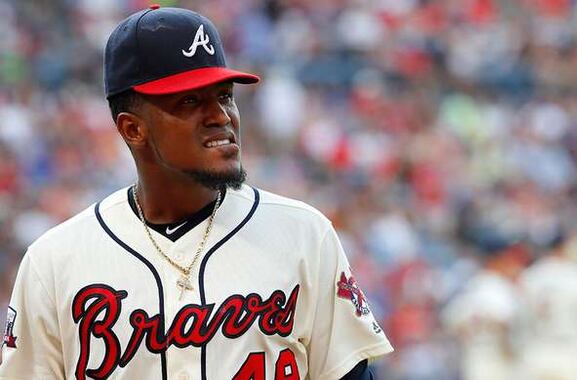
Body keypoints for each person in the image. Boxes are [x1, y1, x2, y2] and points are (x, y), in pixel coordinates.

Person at [0, 6, 393, 380]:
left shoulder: (304, 234)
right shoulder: (54, 262)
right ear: (133, 128)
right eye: (190, 101)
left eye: (224, 96)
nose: (221, 116)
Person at [442, 231, 524, 380]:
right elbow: (506, 323)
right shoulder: (502, 288)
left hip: (475, 361)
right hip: (499, 362)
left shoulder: (472, 286)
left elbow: (451, 321)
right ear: (500, 257)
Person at [518, 230, 577, 380]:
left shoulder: (530, 276)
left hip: (536, 350)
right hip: (571, 350)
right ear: (564, 247)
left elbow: (521, 317)